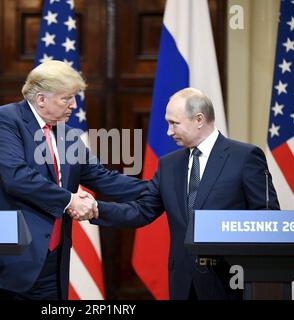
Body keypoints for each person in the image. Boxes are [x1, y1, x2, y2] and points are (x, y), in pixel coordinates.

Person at [81, 87, 280, 300]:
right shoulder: (169, 165)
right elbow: (143, 210)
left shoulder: (245, 157)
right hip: (184, 283)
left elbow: (267, 218)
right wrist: (96, 209)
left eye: (174, 123)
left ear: (199, 119)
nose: (169, 131)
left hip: (230, 281)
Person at [0, 60, 146, 300]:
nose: (74, 105)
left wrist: (160, 188)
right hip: (9, 265)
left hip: (52, 264)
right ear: (41, 99)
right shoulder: (4, 121)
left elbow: (102, 177)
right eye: (67, 98)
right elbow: (16, 177)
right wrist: (70, 200)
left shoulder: (67, 134)